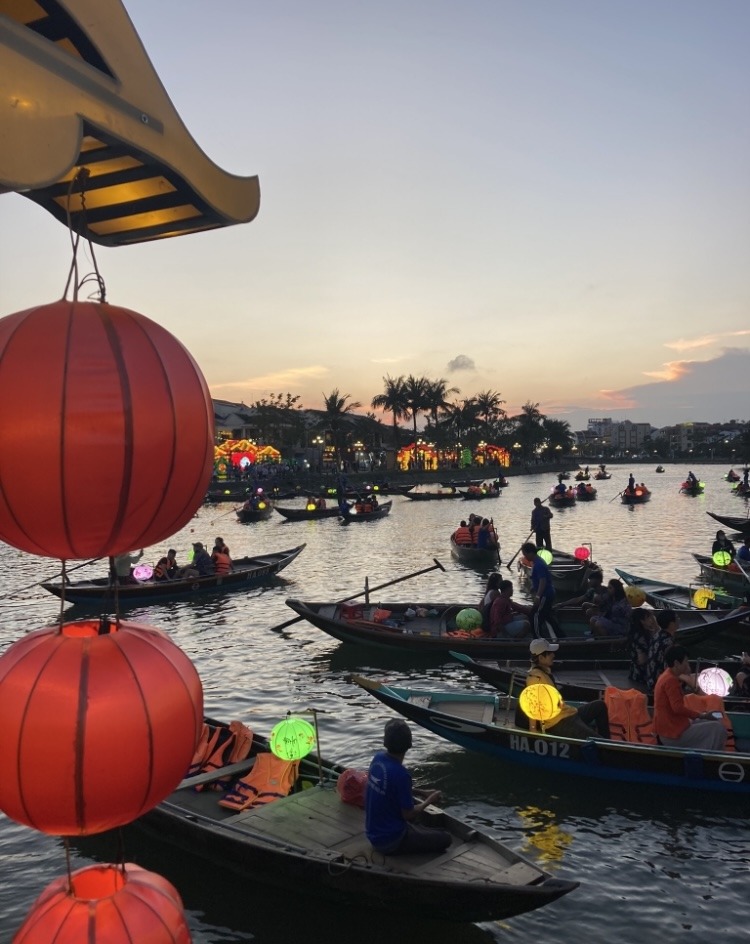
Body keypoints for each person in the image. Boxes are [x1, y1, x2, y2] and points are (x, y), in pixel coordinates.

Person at [365, 719, 451, 855]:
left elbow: (390, 788)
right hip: (391, 841)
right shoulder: (401, 774)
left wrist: (422, 792)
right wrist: (429, 801)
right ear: (409, 745)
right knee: (446, 838)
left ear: (385, 742)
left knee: (429, 830)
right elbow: (408, 814)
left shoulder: (378, 759)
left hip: (373, 834)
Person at [516, 639, 610, 738]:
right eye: (550, 653)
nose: (553, 655)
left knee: (599, 705)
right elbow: (533, 706)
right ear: (541, 658)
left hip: (569, 713)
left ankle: (608, 742)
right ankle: (608, 748)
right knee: (598, 740)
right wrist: (533, 729)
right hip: (559, 723)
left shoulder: (545, 672)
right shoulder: (535, 678)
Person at [653, 646, 727, 751]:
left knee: (716, 722)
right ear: (676, 663)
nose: (688, 665)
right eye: (686, 662)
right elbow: (677, 708)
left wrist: (701, 716)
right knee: (718, 729)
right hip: (672, 734)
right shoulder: (671, 681)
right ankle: (710, 759)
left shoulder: (666, 675)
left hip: (672, 727)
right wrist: (703, 715)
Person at [520, 543, 563, 637]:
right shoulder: (537, 562)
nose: (525, 557)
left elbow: (543, 581)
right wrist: (533, 587)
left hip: (545, 594)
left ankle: (537, 637)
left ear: (531, 553)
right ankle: (560, 635)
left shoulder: (538, 564)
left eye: (525, 554)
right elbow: (539, 580)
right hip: (548, 593)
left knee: (535, 616)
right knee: (547, 615)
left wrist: (538, 596)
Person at [628, 608, 658, 684]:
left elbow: (657, 630)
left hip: (636, 672)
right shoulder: (640, 637)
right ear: (642, 621)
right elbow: (642, 660)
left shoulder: (642, 633)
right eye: (648, 618)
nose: (651, 620)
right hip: (643, 673)